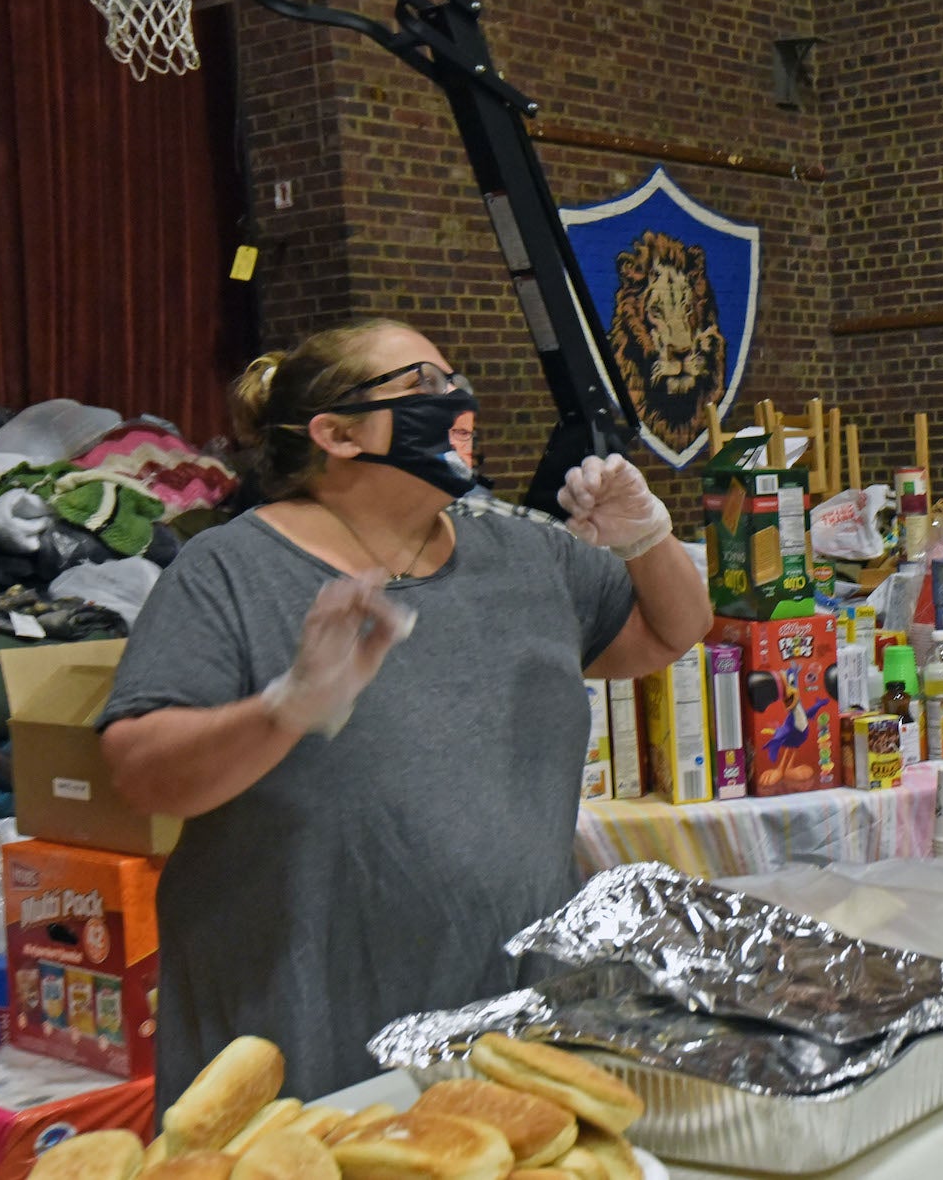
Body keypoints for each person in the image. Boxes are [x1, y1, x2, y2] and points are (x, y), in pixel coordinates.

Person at [99, 318, 712, 1107]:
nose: (459, 399)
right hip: (308, 1028)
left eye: (454, 379)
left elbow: (670, 631)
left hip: (509, 1016)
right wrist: (286, 709)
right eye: (423, 384)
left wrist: (647, 537)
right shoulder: (231, 570)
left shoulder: (524, 553)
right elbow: (140, 772)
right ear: (338, 434)